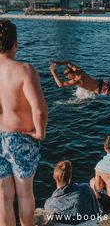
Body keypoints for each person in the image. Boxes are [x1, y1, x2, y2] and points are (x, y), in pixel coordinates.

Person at [0, 20, 48, 226]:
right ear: (15, 44)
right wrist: (40, 133)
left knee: (3, 196)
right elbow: (39, 110)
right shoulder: (24, 70)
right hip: (21, 138)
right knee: (24, 193)